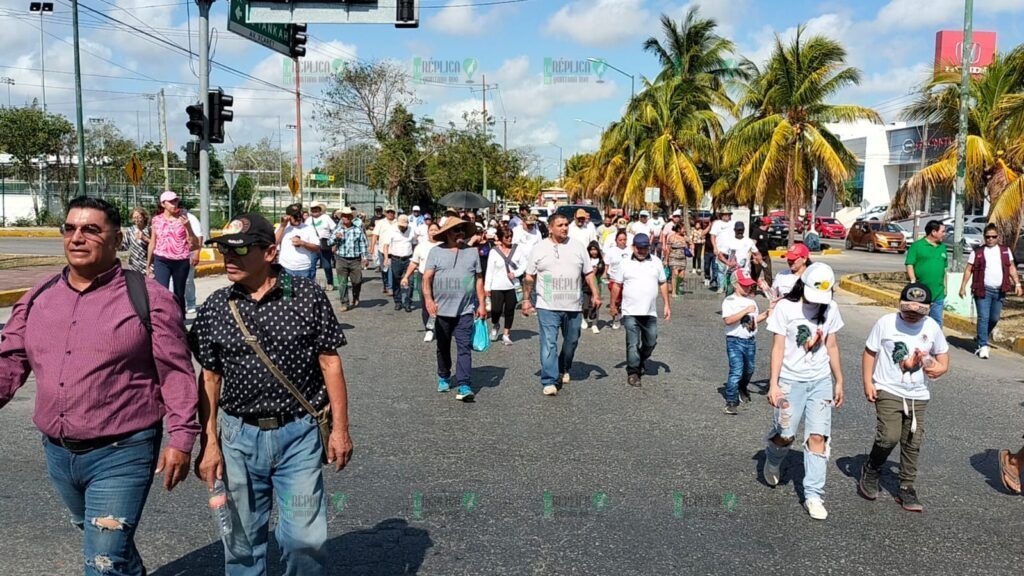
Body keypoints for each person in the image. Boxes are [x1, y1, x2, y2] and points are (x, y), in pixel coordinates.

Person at [1, 196, 198, 575]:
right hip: (58, 452)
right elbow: (10, 360)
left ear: (117, 239)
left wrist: (181, 439)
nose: (77, 237)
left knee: (103, 562)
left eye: (91, 229)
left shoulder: (149, 299)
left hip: (122, 451)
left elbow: (175, 372)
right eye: (70, 228)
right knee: (107, 544)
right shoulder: (38, 297)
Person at [190, 213, 353, 576]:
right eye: (223, 250)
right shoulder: (216, 306)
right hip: (237, 438)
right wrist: (209, 442)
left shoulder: (306, 295)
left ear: (269, 252)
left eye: (240, 250)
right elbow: (210, 378)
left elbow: (330, 364)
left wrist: (340, 429)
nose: (228, 259)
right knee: (242, 546)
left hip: (298, 436)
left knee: (304, 542)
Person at [858, 282, 950, 512]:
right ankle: (872, 468)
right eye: (908, 310)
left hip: (918, 394)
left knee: (912, 441)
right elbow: (870, 352)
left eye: (918, 312)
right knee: (889, 436)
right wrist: (868, 382)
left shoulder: (932, 326)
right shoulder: (886, 323)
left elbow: (943, 355)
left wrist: (940, 368)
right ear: (900, 305)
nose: (912, 316)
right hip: (888, 388)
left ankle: (907, 487)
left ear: (927, 309)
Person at [763, 262, 844, 521]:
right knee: (786, 434)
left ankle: (813, 495)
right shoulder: (786, 308)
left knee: (818, 437)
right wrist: (773, 384)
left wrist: (839, 380)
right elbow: (777, 348)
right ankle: (774, 457)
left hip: (820, 381)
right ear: (803, 285)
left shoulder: (830, 309)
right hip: (789, 380)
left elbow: (831, 346)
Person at [521, 213, 600, 396]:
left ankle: (564, 366)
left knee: (571, 341)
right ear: (550, 228)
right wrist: (526, 300)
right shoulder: (539, 248)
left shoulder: (578, 247)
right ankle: (549, 379)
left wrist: (595, 293)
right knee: (549, 342)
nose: (564, 228)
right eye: (560, 225)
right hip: (547, 304)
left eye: (566, 224)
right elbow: (529, 276)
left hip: (573, 304)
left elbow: (588, 273)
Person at [422, 217, 487, 402]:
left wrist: (482, 304)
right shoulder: (436, 252)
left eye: (462, 230)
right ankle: (443, 375)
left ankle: (464, 384)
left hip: (465, 310)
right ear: (447, 233)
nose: (460, 233)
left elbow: (479, 279)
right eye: (456, 230)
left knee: (464, 347)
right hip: (441, 310)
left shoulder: (473, 252)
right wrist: (428, 300)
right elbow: (427, 278)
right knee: (442, 347)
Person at [609, 234, 670, 387]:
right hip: (630, 311)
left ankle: (641, 359)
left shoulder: (656, 262)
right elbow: (616, 285)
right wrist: (612, 305)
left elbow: (662, 283)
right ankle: (633, 372)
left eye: (645, 247)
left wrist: (667, 305)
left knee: (651, 341)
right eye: (639, 247)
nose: (642, 250)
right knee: (632, 343)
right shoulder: (624, 263)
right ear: (633, 247)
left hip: (650, 312)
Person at [958, 224, 1022, 358]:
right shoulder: (977, 252)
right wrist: (963, 286)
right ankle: (982, 346)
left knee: (994, 318)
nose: (990, 239)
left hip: (999, 290)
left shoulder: (1005, 251)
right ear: (984, 237)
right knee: (984, 317)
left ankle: (982, 336)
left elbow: (1011, 268)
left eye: (993, 237)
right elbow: (969, 269)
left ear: (998, 237)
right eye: (988, 237)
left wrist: (1017, 284)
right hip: (982, 290)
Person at [721, 269, 770, 414]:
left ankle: (742, 387)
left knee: (749, 369)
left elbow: (753, 321)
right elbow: (728, 320)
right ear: (736, 284)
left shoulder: (751, 301)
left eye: (749, 285)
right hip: (734, 340)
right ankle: (731, 401)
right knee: (736, 370)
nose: (748, 287)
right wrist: (745, 311)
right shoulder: (729, 301)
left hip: (750, 340)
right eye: (744, 285)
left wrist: (766, 314)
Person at [147, 190, 199, 315]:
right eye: (170, 202)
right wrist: (148, 264)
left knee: (179, 293)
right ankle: (163, 319)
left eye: (176, 200)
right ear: (163, 204)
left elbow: (194, 243)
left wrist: (187, 227)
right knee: (162, 291)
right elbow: (153, 242)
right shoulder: (156, 220)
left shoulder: (184, 219)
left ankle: (180, 320)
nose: (174, 204)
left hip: (180, 260)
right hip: (161, 259)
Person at [485, 225, 528, 345]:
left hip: (512, 286)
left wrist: (516, 273)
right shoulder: (494, 251)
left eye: (511, 236)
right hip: (497, 286)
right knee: (496, 310)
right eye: (507, 237)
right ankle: (495, 324)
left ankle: (506, 334)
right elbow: (490, 270)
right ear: (500, 237)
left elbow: (524, 264)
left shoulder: (517, 249)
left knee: (510, 310)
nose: (509, 239)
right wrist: (487, 288)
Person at [402, 222, 442, 342]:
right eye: (431, 230)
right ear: (427, 232)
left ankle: (441, 328)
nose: (433, 232)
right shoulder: (421, 246)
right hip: (423, 277)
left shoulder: (444, 246)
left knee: (440, 304)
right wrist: (406, 277)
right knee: (426, 304)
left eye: (436, 230)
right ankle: (429, 329)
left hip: (440, 278)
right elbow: (414, 262)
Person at [905, 220, 948, 325]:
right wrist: (913, 281)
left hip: (938, 293)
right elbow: (909, 264)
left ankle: (935, 341)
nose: (945, 234)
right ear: (934, 232)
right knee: (919, 320)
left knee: (937, 321)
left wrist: (945, 288)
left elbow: (944, 269)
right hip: (920, 293)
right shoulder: (917, 246)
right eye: (942, 231)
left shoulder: (942, 247)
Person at [333, 207, 370, 312]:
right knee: (342, 282)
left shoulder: (357, 230)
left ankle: (355, 296)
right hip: (341, 259)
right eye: (344, 216)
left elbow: (363, 244)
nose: (346, 218)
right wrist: (336, 238)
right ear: (341, 218)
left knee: (357, 281)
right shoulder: (337, 229)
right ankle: (344, 302)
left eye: (348, 216)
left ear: (351, 217)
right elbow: (329, 242)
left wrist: (365, 258)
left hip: (355, 260)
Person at [275, 203, 320, 279]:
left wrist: (303, 243)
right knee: (287, 291)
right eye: (295, 216)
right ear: (289, 217)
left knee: (303, 291)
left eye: (299, 215)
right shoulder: (282, 227)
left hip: (304, 268)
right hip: (286, 267)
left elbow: (317, 248)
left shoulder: (308, 228)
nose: (298, 218)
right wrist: (283, 226)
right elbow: (274, 243)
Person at [382, 214, 416, 311]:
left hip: (408, 259)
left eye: (404, 226)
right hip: (396, 259)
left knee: (411, 282)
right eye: (400, 225)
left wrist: (415, 258)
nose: (402, 227)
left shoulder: (411, 230)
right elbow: (386, 245)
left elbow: (414, 244)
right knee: (396, 281)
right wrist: (385, 258)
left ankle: (408, 302)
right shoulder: (392, 230)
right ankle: (398, 301)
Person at [717, 221, 756, 295]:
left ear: (744, 230)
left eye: (741, 230)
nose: (740, 232)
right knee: (730, 296)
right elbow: (720, 255)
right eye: (738, 230)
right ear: (734, 230)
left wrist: (758, 260)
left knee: (743, 295)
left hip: (745, 273)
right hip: (732, 273)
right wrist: (728, 263)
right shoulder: (729, 241)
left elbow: (757, 253)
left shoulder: (749, 241)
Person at [604, 230, 631, 330]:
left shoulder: (630, 250)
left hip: (627, 280)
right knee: (616, 300)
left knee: (627, 300)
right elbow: (606, 264)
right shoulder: (611, 251)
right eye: (620, 240)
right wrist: (605, 273)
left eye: (624, 239)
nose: (622, 241)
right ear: (616, 240)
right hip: (614, 279)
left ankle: (626, 316)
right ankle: (616, 319)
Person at [307, 201, 337, 291]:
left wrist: (333, 243)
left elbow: (335, 230)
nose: (314, 210)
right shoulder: (308, 220)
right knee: (312, 266)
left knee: (327, 266)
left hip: (325, 245)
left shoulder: (326, 218)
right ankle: (311, 284)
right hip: (313, 246)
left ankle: (330, 283)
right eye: (313, 209)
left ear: (320, 209)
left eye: (316, 208)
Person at [369, 206, 397, 294]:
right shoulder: (381, 223)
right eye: (388, 212)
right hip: (382, 249)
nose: (390, 213)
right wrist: (372, 247)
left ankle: (390, 287)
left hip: (393, 250)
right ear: (386, 213)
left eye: (392, 212)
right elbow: (374, 235)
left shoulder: (397, 222)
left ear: (394, 213)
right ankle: (385, 284)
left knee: (390, 268)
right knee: (384, 269)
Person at [581, 240, 606, 333]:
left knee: (595, 305)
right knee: (585, 305)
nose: (593, 252)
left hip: (597, 285)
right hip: (585, 285)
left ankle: (595, 324)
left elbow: (602, 271)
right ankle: (584, 318)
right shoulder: (586, 260)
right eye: (591, 250)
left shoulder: (600, 261)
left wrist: (596, 272)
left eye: (595, 250)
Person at [182, 208, 203, 315]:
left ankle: (190, 303)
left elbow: (199, 237)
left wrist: (197, 253)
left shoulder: (192, 218)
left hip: (189, 253)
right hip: (174, 254)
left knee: (188, 281)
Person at [121, 206, 151, 273]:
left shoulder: (150, 230)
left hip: (148, 265)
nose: (136, 220)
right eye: (134, 217)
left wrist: (145, 238)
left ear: (144, 217)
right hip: (134, 265)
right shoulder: (130, 230)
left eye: (139, 217)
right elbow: (124, 246)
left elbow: (156, 246)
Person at [708, 209, 733, 291]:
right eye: (725, 214)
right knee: (720, 270)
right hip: (721, 250)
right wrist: (715, 247)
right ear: (721, 215)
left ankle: (728, 286)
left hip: (732, 250)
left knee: (730, 270)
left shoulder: (733, 223)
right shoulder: (717, 224)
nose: (727, 216)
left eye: (728, 214)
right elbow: (712, 236)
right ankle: (721, 286)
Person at [666, 222, 690, 296]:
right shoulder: (671, 237)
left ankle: (677, 287)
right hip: (673, 258)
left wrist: (690, 248)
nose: (684, 230)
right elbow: (668, 249)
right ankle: (674, 291)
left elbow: (691, 243)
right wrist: (666, 260)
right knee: (675, 274)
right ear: (679, 229)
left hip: (682, 258)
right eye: (683, 228)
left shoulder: (685, 237)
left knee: (681, 276)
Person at [749, 217, 772, 284]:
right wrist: (754, 257)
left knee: (768, 273)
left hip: (766, 256)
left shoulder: (767, 232)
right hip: (758, 256)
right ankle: (752, 290)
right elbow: (752, 245)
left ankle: (768, 289)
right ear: (768, 224)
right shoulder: (756, 231)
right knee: (755, 273)